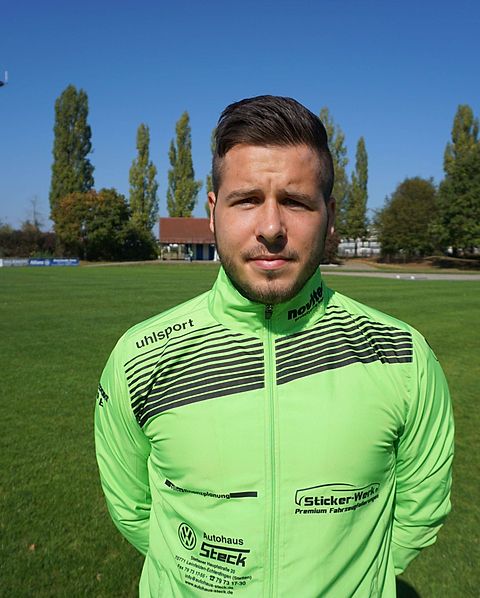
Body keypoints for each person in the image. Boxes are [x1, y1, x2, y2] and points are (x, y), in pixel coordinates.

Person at [95, 95, 454, 597]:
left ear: (329, 215)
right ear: (214, 212)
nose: (270, 228)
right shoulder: (140, 356)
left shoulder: (402, 356)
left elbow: (420, 507)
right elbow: (134, 510)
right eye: (246, 200)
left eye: (295, 202)